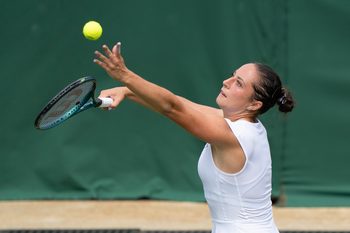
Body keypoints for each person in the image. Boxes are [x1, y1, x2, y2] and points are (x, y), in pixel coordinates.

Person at [94, 42, 294, 233]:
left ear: (254, 105)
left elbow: (172, 108)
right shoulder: (243, 125)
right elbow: (180, 103)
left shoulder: (234, 135)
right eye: (233, 76)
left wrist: (125, 76)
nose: (227, 82)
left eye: (238, 84)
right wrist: (128, 91)